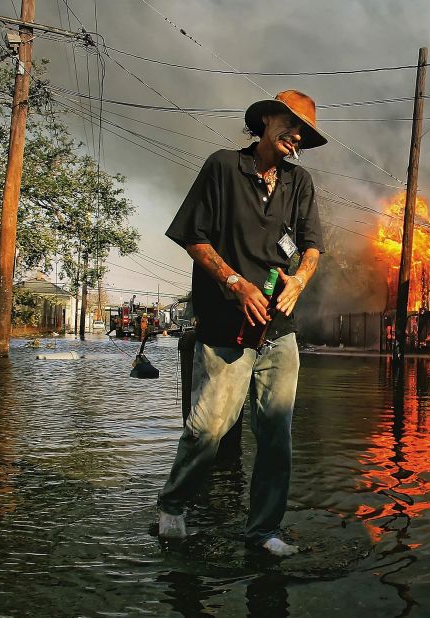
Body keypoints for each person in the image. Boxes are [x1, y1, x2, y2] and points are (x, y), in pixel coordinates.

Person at [156, 90, 326, 556]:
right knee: (210, 426)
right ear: (266, 120)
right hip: (225, 325)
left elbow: (311, 246)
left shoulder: (300, 182)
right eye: (292, 125)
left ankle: (263, 531)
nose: (298, 138)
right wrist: (235, 283)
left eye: (306, 134)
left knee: (275, 433)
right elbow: (194, 237)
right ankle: (172, 505)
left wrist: (299, 281)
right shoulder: (223, 166)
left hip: (279, 330)